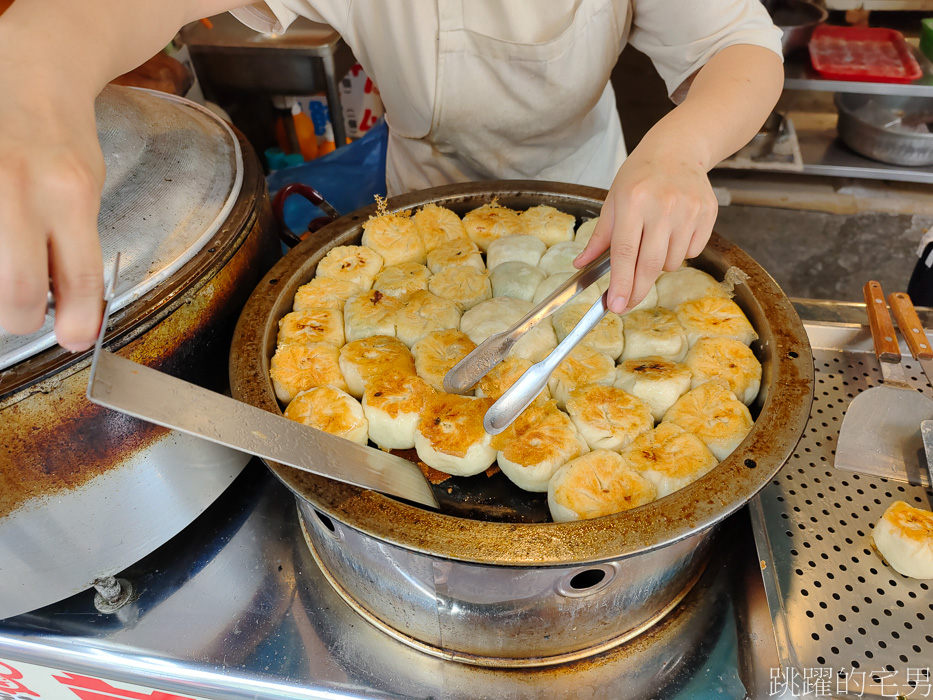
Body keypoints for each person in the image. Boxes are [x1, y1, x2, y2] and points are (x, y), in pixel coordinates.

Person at [0, 0, 784, 352]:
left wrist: (678, 150)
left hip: (590, 208)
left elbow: (739, 47)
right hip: (421, 217)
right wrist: (31, 81)